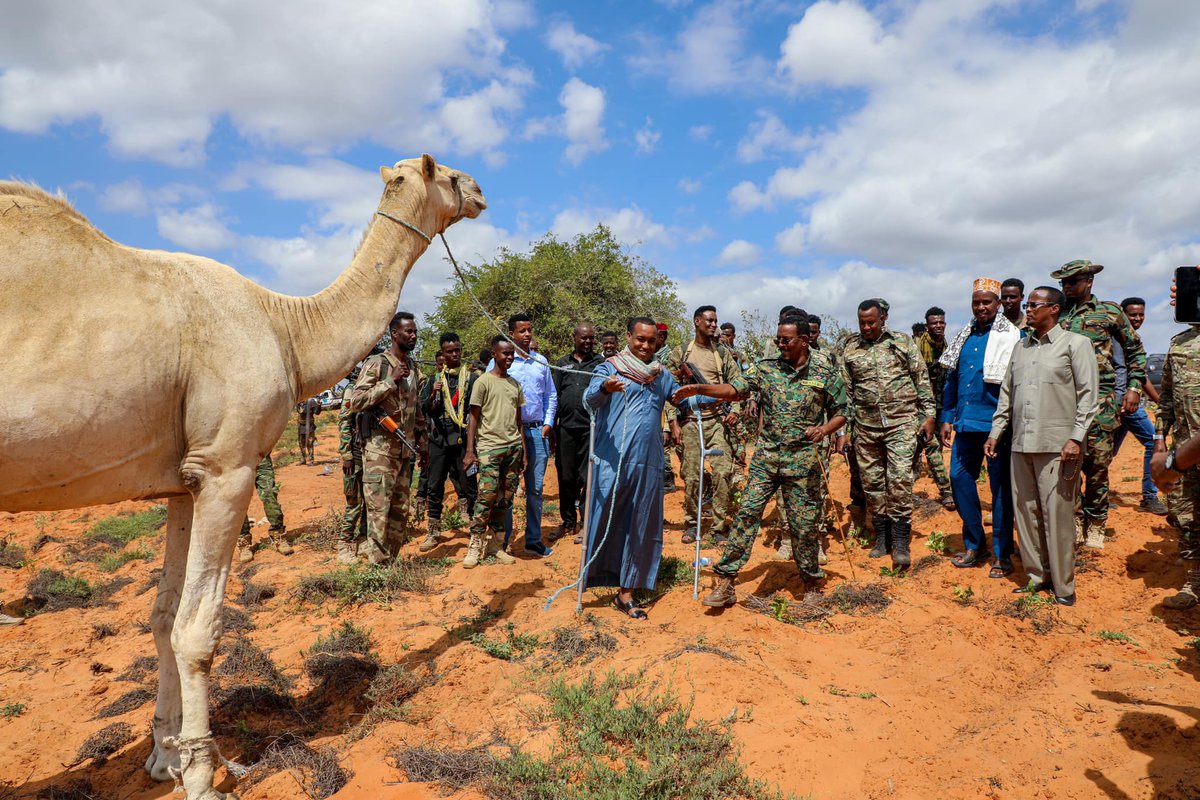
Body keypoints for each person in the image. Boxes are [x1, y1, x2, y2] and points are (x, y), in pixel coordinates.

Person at [699, 314, 849, 607]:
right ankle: (726, 582)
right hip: (766, 461)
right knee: (747, 515)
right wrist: (700, 389)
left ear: (803, 340)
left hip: (803, 462)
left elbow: (843, 411)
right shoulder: (765, 368)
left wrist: (824, 429)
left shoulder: (824, 372)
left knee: (804, 525)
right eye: (778, 339)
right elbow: (735, 389)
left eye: (786, 340)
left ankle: (811, 584)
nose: (780, 344)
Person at [583, 317, 710, 619]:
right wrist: (605, 388)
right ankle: (595, 575)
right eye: (640, 339)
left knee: (640, 524)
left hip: (649, 463)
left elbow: (683, 400)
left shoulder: (660, 375)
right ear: (629, 337)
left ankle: (626, 591)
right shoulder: (610, 368)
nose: (645, 345)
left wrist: (714, 393)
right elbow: (589, 400)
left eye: (651, 341)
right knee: (607, 518)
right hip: (612, 461)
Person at [987, 286, 1098, 606]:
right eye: (1028, 305)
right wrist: (996, 432)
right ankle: (1037, 576)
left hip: (1058, 446)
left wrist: (1076, 437)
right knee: (1026, 513)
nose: (1028, 309)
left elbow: (1089, 396)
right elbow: (1007, 395)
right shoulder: (1020, 348)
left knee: (1058, 516)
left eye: (1034, 304)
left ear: (1054, 309)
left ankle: (1064, 586)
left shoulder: (1076, 345)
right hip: (1021, 443)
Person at [1054, 259, 1147, 548]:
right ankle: (1075, 518)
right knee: (1067, 463)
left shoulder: (1109, 312)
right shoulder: (1056, 312)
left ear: (1089, 281)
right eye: (1064, 282)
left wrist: (1134, 388)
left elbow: (1135, 351)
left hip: (1100, 401)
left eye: (1073, 281)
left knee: (1097, 466)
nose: (1067, 286)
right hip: (1063, 401)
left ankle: (1096, 522)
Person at [838, 299, 936, 568]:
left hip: (901, 424)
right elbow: (845, 394)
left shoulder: (902, 343)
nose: (867, 327)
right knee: (872, 484)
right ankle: (882, 537)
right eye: (862, 323)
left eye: (871, 322)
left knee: (900, 480)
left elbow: (921, 379)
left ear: (883, 319)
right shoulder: (850, 348)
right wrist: (844, 431)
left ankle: (901, 541)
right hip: (866, 428)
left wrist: (929, 416)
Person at [938, 279, 1022, 574]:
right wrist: (947, 416)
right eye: (976, 302)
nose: (981, 307)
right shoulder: (964, 337)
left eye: (987, 302)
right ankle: (975, 543)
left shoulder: (1013, 337)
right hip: (965, 424)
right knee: (959, 478)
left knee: (1000, 490)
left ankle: (1002, 553)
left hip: (997, 427)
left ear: (998, 304)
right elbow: (952, 380)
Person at [346, 311, 427, 565]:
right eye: (408, 331)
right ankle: (378, 568)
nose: (413, 336)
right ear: (394, 333)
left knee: (399, 512)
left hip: (404, 451)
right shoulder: (377, 364)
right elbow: (355, 401)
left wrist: (423, 441)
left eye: (415, 332)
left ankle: (390, 563)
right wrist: (390, 382)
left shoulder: (413, 367)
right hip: (379, 452)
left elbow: (416, 408)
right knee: (379, 512)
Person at [665, 305, 748, 545]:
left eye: (715, 321)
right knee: (692, 477)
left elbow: (739, 385)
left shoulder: (722, 353)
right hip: (690, 422)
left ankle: (719, 527)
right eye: (709, 321)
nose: (713, 325)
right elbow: (668, 390)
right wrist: (673, 423)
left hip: (717, 421)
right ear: (697, 321)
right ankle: (692, 524)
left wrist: (734, 411)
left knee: (722, 473)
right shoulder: (681, 352)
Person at [495, 313, 557, 558]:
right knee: (508, 488)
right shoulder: (502, 362)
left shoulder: (541, 361)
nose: (527, 334)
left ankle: (533, 540)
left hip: (537, 431)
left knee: (536, 490)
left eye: (529, 330)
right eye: (522, 331)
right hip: (509, 434)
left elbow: (550, 395)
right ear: (511, 334)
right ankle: (503, 542)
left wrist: (548, 423)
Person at [463, 338, 525, 568]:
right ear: (494, 354)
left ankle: (495, 545)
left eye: (511, 354)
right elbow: (473, 418)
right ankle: (475, 544)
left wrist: (524, 452)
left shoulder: (515, 384)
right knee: (486, 496)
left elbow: (519, 421)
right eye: (505, 353)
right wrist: (470, 451)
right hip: (489, 448)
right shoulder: (483, 382)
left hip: (513, 448)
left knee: (505, 498)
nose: (509, 358)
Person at [1154, 310, 1200, 607]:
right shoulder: (1179, 343)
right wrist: (1159, 440)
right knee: (1185, 516)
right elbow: (1167, 398)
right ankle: (1193, 581)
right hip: (1184, 451)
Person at [418, 333, 478, 552]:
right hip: (439, 440)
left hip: (462, 441)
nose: (454, 355)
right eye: (449, 351)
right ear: (442, 354)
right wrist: (433, 395)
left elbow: (475, 411)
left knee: (469, 485)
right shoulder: (434, 380)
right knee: (434, 485)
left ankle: (476, 530)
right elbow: (425, 409)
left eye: (457, 350)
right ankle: (433, 531)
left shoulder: (471, 379)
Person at [1112, 297, 1167, 515]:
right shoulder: (1118, 339)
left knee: (1107, 451)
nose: (1137, 319)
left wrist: (1159, 402)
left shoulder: (1131, 338)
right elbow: (1139, 377)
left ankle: (1097, 496)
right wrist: (1160, 402)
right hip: (1124, 403)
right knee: (1153, 441)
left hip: (1125, 404)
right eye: (1132, 314)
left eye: (1141, 314)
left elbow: (1140, 375)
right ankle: (1149, 497)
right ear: (1122, 315)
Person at [553, 322, 604, 544]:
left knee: (588, 476)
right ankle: (567, 521)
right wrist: (551, 427)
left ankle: (585, 523)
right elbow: (554, 396)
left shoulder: (600, 364)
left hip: (590, 429)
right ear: (574, 337)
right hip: (565, 428)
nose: (588, 341)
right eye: (584, 338)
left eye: (591, 338)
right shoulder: (562, 364)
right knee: (566, 476)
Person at [915, 306, 955, 509]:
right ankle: (946, 491)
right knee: (930, 446)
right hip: (919, 406)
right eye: (934, 323)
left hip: (939, 402)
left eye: (941, 322)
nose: (938, 326)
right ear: (927, 325)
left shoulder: (946, 346)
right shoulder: (917, 347)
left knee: (933, 446)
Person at [337, 368, 368, 564]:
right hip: (355, 454)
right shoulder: (351, 388)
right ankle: (344, 544)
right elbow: (344, 421)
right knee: (354, 503)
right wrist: (347, 454)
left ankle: (363, 540)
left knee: (370, 500)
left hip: (370, 453)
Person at [236, 454, 290, 563]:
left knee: (269, 495)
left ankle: (278, 536)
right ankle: (244, 543)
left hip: (261, 459)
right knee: (239, 501)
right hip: (237, 464)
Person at [413, 351, 447, 522]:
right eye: (440, 364)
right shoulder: (430, 382)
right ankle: (421, 499)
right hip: (429, 431)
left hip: (447, 434)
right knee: (427, 469)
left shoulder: (457, 381)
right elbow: (423, 406)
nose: (443, 367)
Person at [296, 395, 322, 465]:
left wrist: (319, 404)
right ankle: (303, 459)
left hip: (309, 426)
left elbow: (317, 412)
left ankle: (311, 460)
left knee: (309, 443)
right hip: (301, 426)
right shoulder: (299, 402)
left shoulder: (311, 401)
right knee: (301, 443)